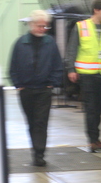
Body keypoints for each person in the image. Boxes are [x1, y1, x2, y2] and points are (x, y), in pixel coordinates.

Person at [66, 0, 101, 152]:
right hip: (86, 74)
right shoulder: (81, 26)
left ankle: (96, 138)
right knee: (91, 108)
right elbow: (72, 49)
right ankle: (92, 140)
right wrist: (71, 69)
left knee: (97, 108)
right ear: (96, 10)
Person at [9, 9, 63, 167]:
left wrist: (52, 83)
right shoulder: (20, 43)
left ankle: (39, 154)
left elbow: (57, 64)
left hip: (43, 90)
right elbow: (13, 66)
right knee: (31, 122)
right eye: (40, 26)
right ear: (31, 25)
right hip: (26, 90)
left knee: (41, 122)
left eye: (45, 26)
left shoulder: (50, 43)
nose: (42, 29)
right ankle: (35, 150)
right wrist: (18, 84)